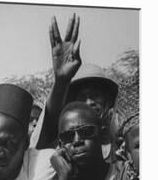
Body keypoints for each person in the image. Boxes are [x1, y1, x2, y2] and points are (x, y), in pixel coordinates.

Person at [31, 15, 118, 162]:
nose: (89, 102)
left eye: (95, 95)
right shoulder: (67, 146)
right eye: (82, 97)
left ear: (108, 100)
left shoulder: (121, 139)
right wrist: (61, 81)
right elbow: (39, 145)